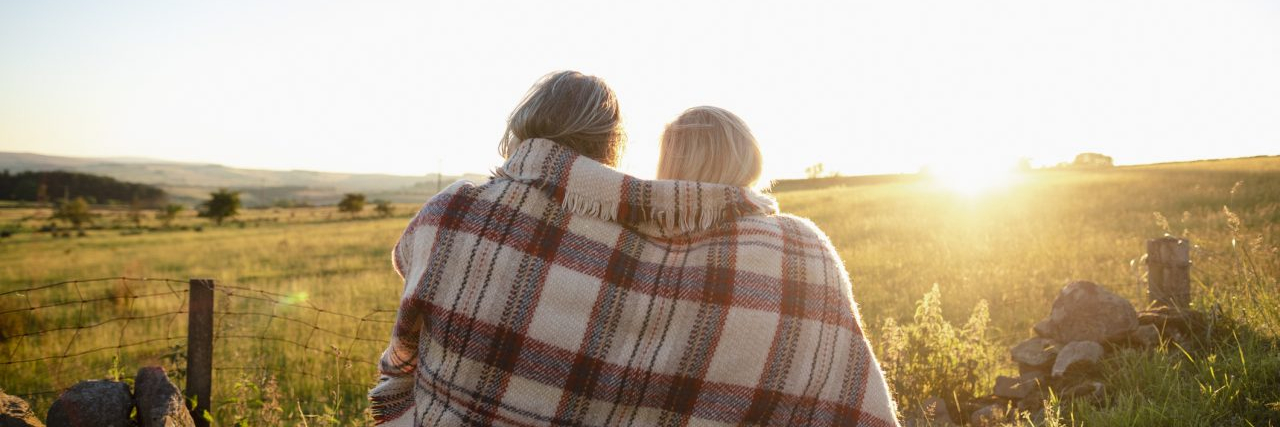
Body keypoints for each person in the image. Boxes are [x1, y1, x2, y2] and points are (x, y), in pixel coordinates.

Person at [369, 71, 899, 426]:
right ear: (612, 147)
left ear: (517, 130)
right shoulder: (796, 252)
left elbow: (408, 308)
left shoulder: (454, 210)